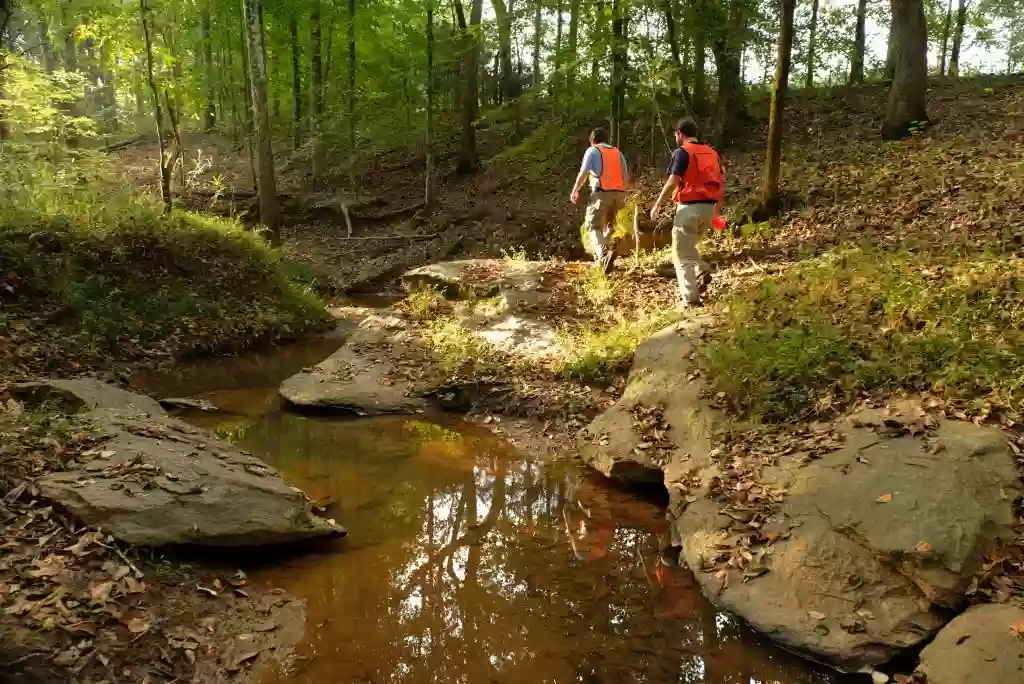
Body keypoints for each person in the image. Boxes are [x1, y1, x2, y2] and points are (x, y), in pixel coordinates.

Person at [650, 117, 724, 307]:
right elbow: (720, 182)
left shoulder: (682, 152)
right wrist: (716, 211)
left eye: (676, 134)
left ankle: (691, 299)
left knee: (680, 254)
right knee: (689, 247)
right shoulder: (712, 153)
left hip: (690, 209)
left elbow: (673, 181)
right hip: (708, 209)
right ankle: (701, 269)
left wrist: (658, 204)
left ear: (680, 134)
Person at [570, 128, 630, 271]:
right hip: (619, 194)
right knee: (608, 226)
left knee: (593, 225)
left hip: (602, 194)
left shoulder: (592, 151)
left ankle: (602, 253)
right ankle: (604, 259)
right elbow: (625, 176)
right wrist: (623, 196)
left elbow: (583, 173)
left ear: (592, 141)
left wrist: (575, 190)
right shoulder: (618, 153)